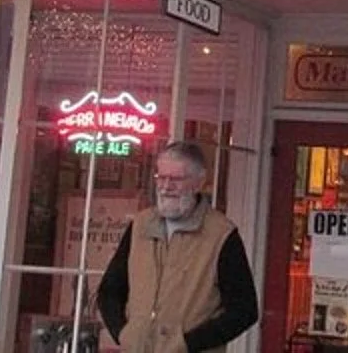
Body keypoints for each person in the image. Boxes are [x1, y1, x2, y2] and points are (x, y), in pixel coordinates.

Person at [97, 142, 258, 352]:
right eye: (161, 177)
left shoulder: (222, 235)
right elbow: (109, 290)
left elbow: (244, 311)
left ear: (199, 183)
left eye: (176, 179)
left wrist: (187, 343)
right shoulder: (140, 226)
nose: (165, 186)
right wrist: (124, 334)